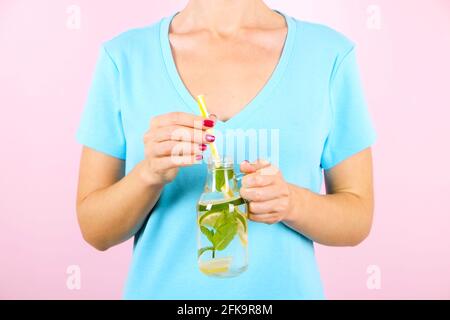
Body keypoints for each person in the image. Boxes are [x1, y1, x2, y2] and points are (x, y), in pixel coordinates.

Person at [76, 0, 376, 299]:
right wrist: (148, 175)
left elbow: (357, 218)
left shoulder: (328, 56)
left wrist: (292, 203)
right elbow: (96, 230)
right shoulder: (124, 58)